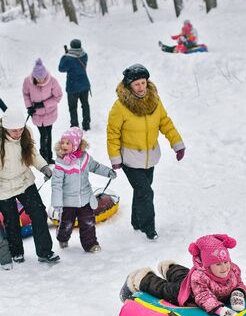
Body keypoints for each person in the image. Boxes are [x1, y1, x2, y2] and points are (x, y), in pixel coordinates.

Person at [106, 64, 185, 240]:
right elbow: (113, 133)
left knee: (141, 191)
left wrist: (177, 144)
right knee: (146, 192)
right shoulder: (120, 106)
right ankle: (149, 227)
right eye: (137, 84)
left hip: (150, 157)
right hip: (130, 159)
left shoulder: (154, 100)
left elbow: (165, 122)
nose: (141, 87)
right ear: (129, 86)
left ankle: (136, 221)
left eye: (143, 82)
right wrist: (115, 158)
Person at [0, 108, 60, 264]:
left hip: (24, 180)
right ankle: (16, 252)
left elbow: (32, 153)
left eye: (20, 128)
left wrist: (43, 166)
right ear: (5, 127)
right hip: (2, 185)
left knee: (39, 213)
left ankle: (45, 252)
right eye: (14, 130)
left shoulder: (26, 134)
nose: (18, 132)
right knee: (11, 219)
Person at [119, 234, 246, 316]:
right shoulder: (200, 276)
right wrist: (223, 311)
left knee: (184, 276)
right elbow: (204, 297)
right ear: (207, 266)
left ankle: (170, 268)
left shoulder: (233, 269)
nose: (224, 268)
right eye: (218, 264)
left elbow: (239, 283)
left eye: (226, 262)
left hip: (189, 281)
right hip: (187, 294)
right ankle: (142, 278)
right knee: (164, 289)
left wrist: (238, 293)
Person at [51, 127, 116, 253]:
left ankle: (90, 244)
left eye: (68, 143)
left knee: (88, 222)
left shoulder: (85, 158)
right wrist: (57, 203)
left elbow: (96, 167)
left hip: (85, 198)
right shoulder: (61, 163)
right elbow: (56, 184)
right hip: (68, 201)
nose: (64, 145)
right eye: (63, 142)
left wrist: (108, 172)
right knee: (66, 223)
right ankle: (62, 238)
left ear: (76, 144)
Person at [22, 58, 62, 164]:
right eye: (38, 79)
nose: (40, 81)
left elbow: (58, 97)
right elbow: (26, 94)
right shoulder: (28, 82)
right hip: (37, 114)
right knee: (43, 135)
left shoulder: (52, 81)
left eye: (42, 78)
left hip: (50, 113)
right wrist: (29, 106)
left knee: (48, 134)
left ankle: (48, 156)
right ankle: (43, 156)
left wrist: (43, 104)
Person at [58, 39, 91, 130]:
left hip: (73, 87)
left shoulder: (68, 58)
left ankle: (74, 125)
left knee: (73, 107)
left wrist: (64, 56)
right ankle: (86, 124)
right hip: (84, 85)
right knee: (85, 105)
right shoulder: (84, 55)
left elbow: (61, 69)